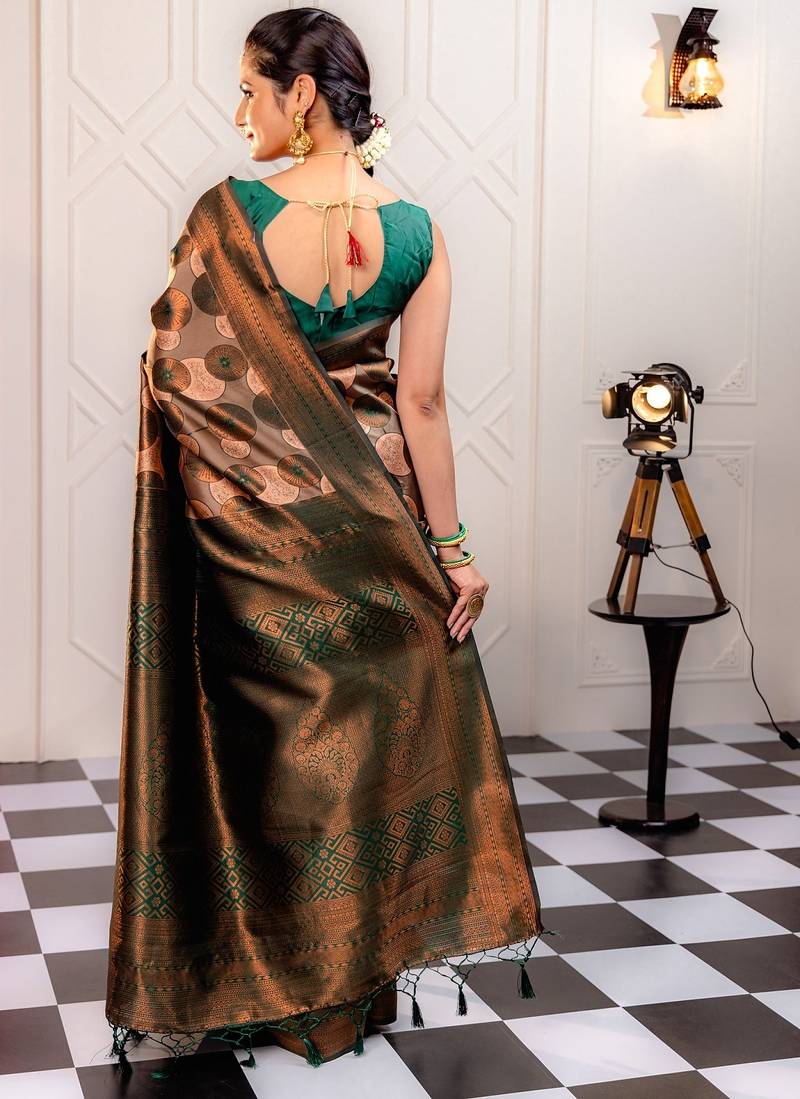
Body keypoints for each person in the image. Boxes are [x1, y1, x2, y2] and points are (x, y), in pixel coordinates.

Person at [105, 6, 553, 1078]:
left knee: (267, 762)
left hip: (259, 537)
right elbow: (423, 403)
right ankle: (351, 993)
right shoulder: (420, 231)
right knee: (362, 758)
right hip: (383, 532)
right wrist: (451, 551)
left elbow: (177, 372)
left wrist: (245, 477)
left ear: (300, 95)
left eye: (249, 89)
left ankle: (266, 985)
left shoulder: (229, 216)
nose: (240, 112)